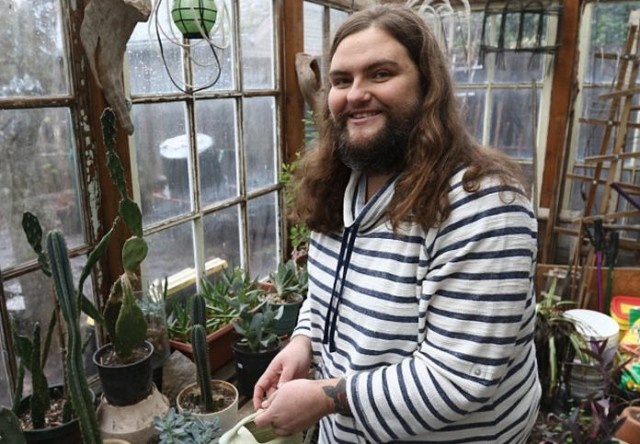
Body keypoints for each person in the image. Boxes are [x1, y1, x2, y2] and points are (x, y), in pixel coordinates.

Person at [253, 4, 541, 443]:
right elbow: (330, 291)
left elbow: (455, 378)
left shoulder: (481, 204)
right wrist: (303, 341)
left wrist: (325, 397)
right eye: (341, 80)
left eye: (380, 74)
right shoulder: (339, 183)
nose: (355, 94)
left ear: (427, 85)